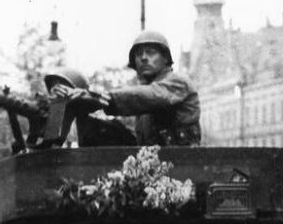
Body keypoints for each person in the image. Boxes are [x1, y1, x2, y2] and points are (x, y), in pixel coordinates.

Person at [52, 29, 201, 146]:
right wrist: (84, 102)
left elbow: (148, 96)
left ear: (166, 59)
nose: (143, 58)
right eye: (138, 54)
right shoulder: (141, 98)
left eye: (150, 52)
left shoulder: (178, 82)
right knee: (92, 120)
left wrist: (101, 97)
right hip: (155, 165)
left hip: (183, 165)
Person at [42, 68, 136, 147]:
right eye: (53, 88)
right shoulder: (48, 124)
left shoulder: (101, 124)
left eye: (62, 88)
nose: (57, 92)